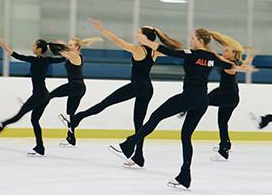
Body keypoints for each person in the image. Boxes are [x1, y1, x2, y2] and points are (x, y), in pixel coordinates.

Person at [109, 27, 254, 189]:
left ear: (200, 41)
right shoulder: (212, 57)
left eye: (192, 38)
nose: (190, 40)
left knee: (156, 116)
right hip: (202, 101)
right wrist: (244, 68)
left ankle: (128, 145)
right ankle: (184, 176)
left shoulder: (191, 54)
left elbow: (167, 51)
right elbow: (230, 65)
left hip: (189, 97)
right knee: (186, 136)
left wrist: (146, 42)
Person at [62, 19, 174, 168]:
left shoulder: (138, 49)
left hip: (138, 85)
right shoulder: (155, 51)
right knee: (138, 124)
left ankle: (76, 119)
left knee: (105, 103)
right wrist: (159, 33)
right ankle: (139, 156)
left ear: (145, 37)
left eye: (139, 32)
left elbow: (117, 41)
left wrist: (102, 30)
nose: (136, 34)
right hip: (148, 88)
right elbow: (173, 48)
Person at [0, 39, 66, 156]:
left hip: (39, 95)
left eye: (34, 46)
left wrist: (5, 47)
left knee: (20, 115)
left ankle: (2, 125)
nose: (33, 48)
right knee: (34, 120)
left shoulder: (35, 60)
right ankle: (40, 147)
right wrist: (67, 50)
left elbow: (17, 56)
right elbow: (63, 59)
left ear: (39, 49)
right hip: (44, 95)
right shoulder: (47, 60)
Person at [41, 36, 103, 147]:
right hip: (78, 87)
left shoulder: (74, 55)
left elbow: (59, 51)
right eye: (68, 45)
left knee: (51, 94)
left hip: (75, 86)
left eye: (71, 45)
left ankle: (32, 103)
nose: (68, 47)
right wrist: (55, 44)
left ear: (77, 47)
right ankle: (71, 139)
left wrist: (50, 44)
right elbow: (61, 50)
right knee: (71, 114)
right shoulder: (73, 55)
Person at [206, 32, 257, 160]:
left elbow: (240, 67)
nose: (224, 52)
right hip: (231, 96)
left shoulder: (230, 64)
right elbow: (244, 65)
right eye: (223, 51)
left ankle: (184, 110)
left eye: (226, 51)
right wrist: (251, 56)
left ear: (233, 53)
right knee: (222, 122)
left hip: (226, 96)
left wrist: (206, 45)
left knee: (200, 101)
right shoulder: (232, 61)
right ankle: (225, 145)